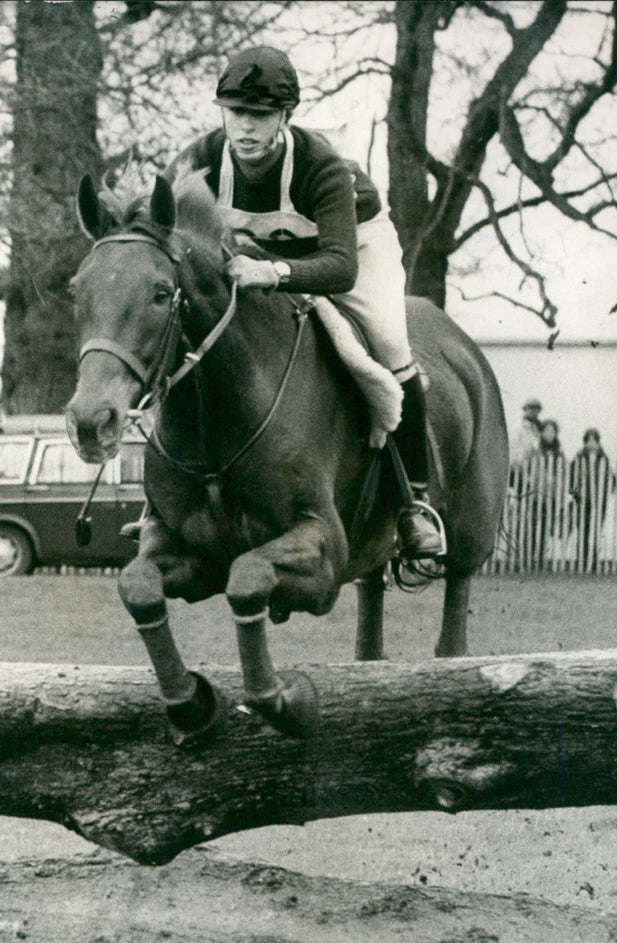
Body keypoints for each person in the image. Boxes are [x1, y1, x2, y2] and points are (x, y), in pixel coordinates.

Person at [166, 45, 441, 559]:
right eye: (236, 112)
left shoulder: (321, 166)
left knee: (387, 340)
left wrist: (273, 273)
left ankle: (414, 504)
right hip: (260, 254)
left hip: (351, 245)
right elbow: (170, 235)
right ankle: (163, 504)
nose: (246, 126)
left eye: (261, 115)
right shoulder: (198, 160)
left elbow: (339, 268)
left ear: (285, 117)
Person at [568, 427, 616, 572]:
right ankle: (581, 561)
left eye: (594, 440)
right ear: (584, 442)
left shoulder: (604, 459)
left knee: (596, 532)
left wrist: (607, 491)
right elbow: (571, 480)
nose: (591, 444)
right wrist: (576, 496)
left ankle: (593, 562)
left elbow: (612, 480)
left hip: (599, 502)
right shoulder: (578, 458)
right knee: (582, 531)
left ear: (598, 442)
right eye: (588, 440)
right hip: (583, 502)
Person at [524, 418, 566, 567]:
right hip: (535, 495)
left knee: (545, 529)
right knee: (532, 526)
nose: (550, 434)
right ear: (541, 433)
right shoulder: (534, 451)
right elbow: (525, 470)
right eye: (547, 431)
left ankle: (540, 559)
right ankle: (528, 558)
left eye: (552, 431)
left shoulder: (558, 453)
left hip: (551, 496)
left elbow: (563, 474)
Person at [509, 398, 543, 477]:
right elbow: (514, 450)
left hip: (534, 469)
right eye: (530, 408)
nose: (533, 412)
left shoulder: (539, 429)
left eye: (536, 409)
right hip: (519, 469)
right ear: (525, 409)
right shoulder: (518, 428)